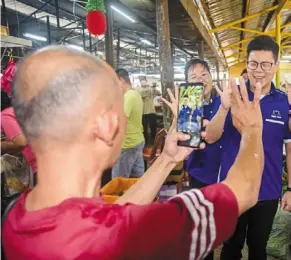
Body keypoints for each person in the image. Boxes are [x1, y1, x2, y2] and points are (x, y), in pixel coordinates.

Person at [4, 46, 264, 260]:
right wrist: (252, 128)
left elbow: (114, 214)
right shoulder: (135, 233)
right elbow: (246, 188)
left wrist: (165, 160)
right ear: (107, 126)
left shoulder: (16, 215)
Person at [205, 35, 291, 260]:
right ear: (247, 63)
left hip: (269, 189)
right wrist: (224, 108)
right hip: (234, 188)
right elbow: (211, 138)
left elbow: (290, 148)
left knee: (258, 246)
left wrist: (290, 188)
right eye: (253, 63)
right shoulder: (232, 97)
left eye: (265, 64)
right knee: (231, 246)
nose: (258, 70)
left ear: (275, 65)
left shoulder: (283, 103)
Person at [162, 58, 223, 260]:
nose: (200, 79)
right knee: (203, 228)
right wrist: (179, 116)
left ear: (212, 79)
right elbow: (178, 141)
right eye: (194, 76)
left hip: (224, 173)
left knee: (226, 225)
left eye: (204, 75)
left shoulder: (222, 103)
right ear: (187, 82)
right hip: (200, 174)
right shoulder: (187, 107)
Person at [112, 69, 145, 179]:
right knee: (137, 179)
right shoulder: (135, 94)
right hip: (137, 140)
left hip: (128, 144)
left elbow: (121, 120)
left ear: (121, 80)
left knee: (118, 182)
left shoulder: (128, 96)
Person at [1, 90, 37, 185]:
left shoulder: (5, 115)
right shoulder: (17, 110)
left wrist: (2, 146)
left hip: (42, 164)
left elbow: (20, 143)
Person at [137, 76, 157, 144]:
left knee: (153, 126)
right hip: (143, 111)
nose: (142, 81)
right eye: (141, 80)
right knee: (144, 128)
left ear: (146, 80)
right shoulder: (137, 89)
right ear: (139, 81)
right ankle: (146, 141)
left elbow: (158, 93)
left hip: (151, 110)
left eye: (143, 80)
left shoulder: (151, 88)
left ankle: (154, 140)